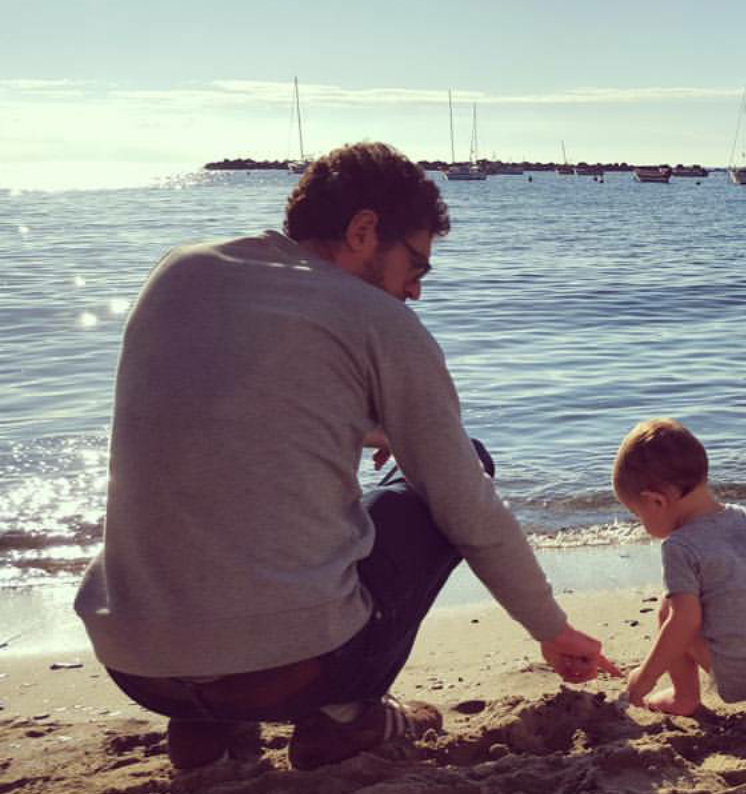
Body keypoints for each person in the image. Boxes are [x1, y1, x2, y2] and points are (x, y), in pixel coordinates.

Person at [73, 142, 617, 771]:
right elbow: (468, 505)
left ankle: (208, 732)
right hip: (293, 671)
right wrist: (551, 629)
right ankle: (345, 717)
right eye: (415, 266)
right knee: (463, 465)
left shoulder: (181, 271)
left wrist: (362, 426)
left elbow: (230, 419)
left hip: (137, 663)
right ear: (364, 230)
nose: (414, 291)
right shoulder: (379, 321)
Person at [614, 418, 746, 716]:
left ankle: (683, 697)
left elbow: (683, 622)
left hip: (742, 676)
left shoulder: (680, 545)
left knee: (669, 609)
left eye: (638, 515)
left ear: (657, 502)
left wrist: (644, 678)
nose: (642, 525)